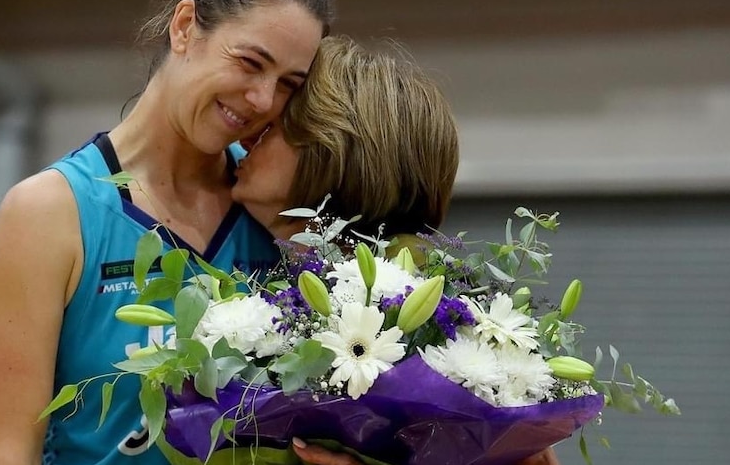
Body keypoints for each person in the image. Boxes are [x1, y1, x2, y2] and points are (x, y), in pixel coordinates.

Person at [0, 0, 335, 465]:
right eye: (249, 63)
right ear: (186, 27)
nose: (263, 100)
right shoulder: (50, 213)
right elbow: (5, 455)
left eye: (288, 83)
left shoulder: (280, 212)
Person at [232, 35, 562, 465]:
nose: (249, 135)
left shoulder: (439, 312)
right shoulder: (280, 276)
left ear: (331, 151)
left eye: (274, 127)